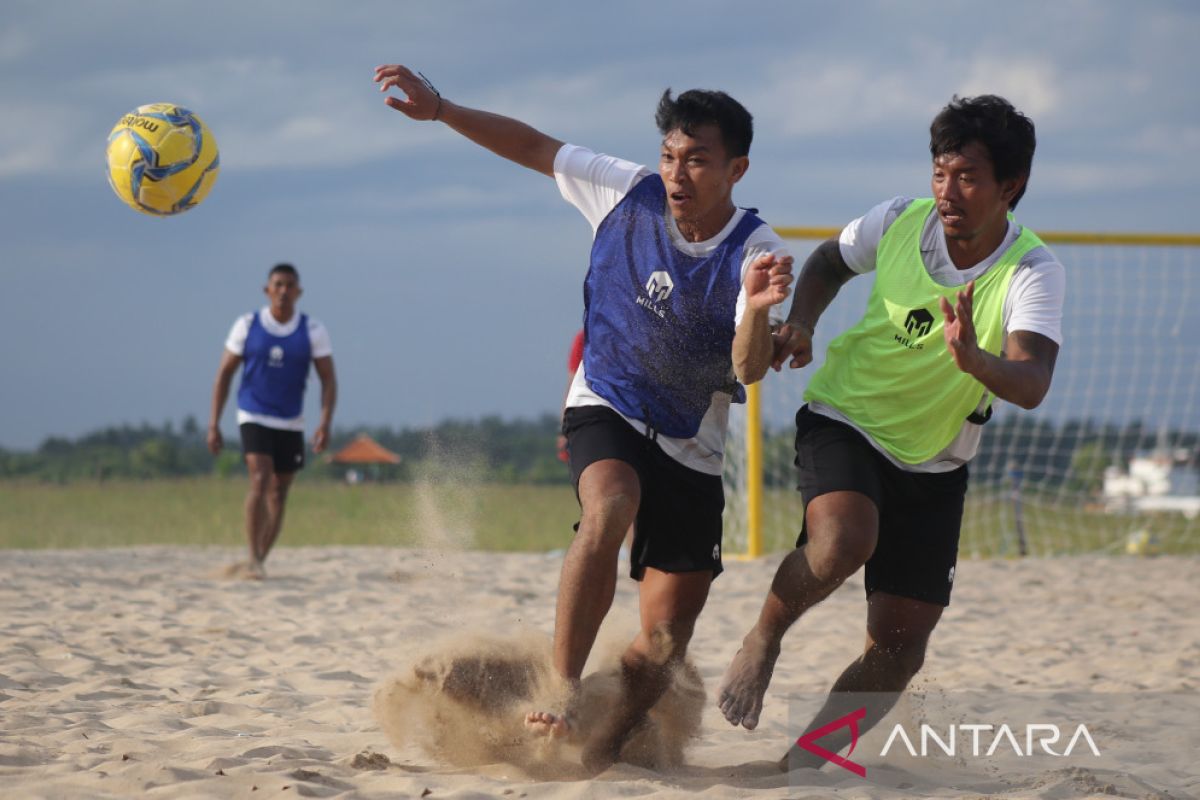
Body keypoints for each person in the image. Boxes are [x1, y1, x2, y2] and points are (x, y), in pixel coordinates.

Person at [374, 63, 792, 772]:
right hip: (608, 401)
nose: (677, 171)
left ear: (736, 168)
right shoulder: (624, 191)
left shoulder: (757, 250)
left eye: (696, 159)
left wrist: (754, 309)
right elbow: (537, 147)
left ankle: (601, 740)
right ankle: (559, 689)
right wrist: (442, 108)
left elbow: (750, 368)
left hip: (692, 442)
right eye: (669, 155)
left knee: (662, 646)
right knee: (610, 506)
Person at [717, 94, 1065, 769]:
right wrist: (807, 323)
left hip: (937, 461)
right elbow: (826, 262)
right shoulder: (900, 219)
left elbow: (1031, 382)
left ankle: (804, 764)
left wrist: (976, 360)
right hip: (846, 415)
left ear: (1010, 186)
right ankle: (763, 636)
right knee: (844, 541)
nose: (947, 191)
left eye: (967, 176)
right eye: (941, 173)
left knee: (900, 645)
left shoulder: (1032, 271)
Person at [207, 263, 338, 579]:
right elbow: (225, 373)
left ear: (299, 292)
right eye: (277, 285)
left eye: (289, 285)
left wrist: (325, 422)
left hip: (291, 420)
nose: (283, 291)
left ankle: (259, 559)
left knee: (279, 493)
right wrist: (214, 423)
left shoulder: (312, 331)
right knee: (260, 477)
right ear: (267, 290)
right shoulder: (248, 325)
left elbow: (328, 379)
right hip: (253, 413)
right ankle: (252, 557)